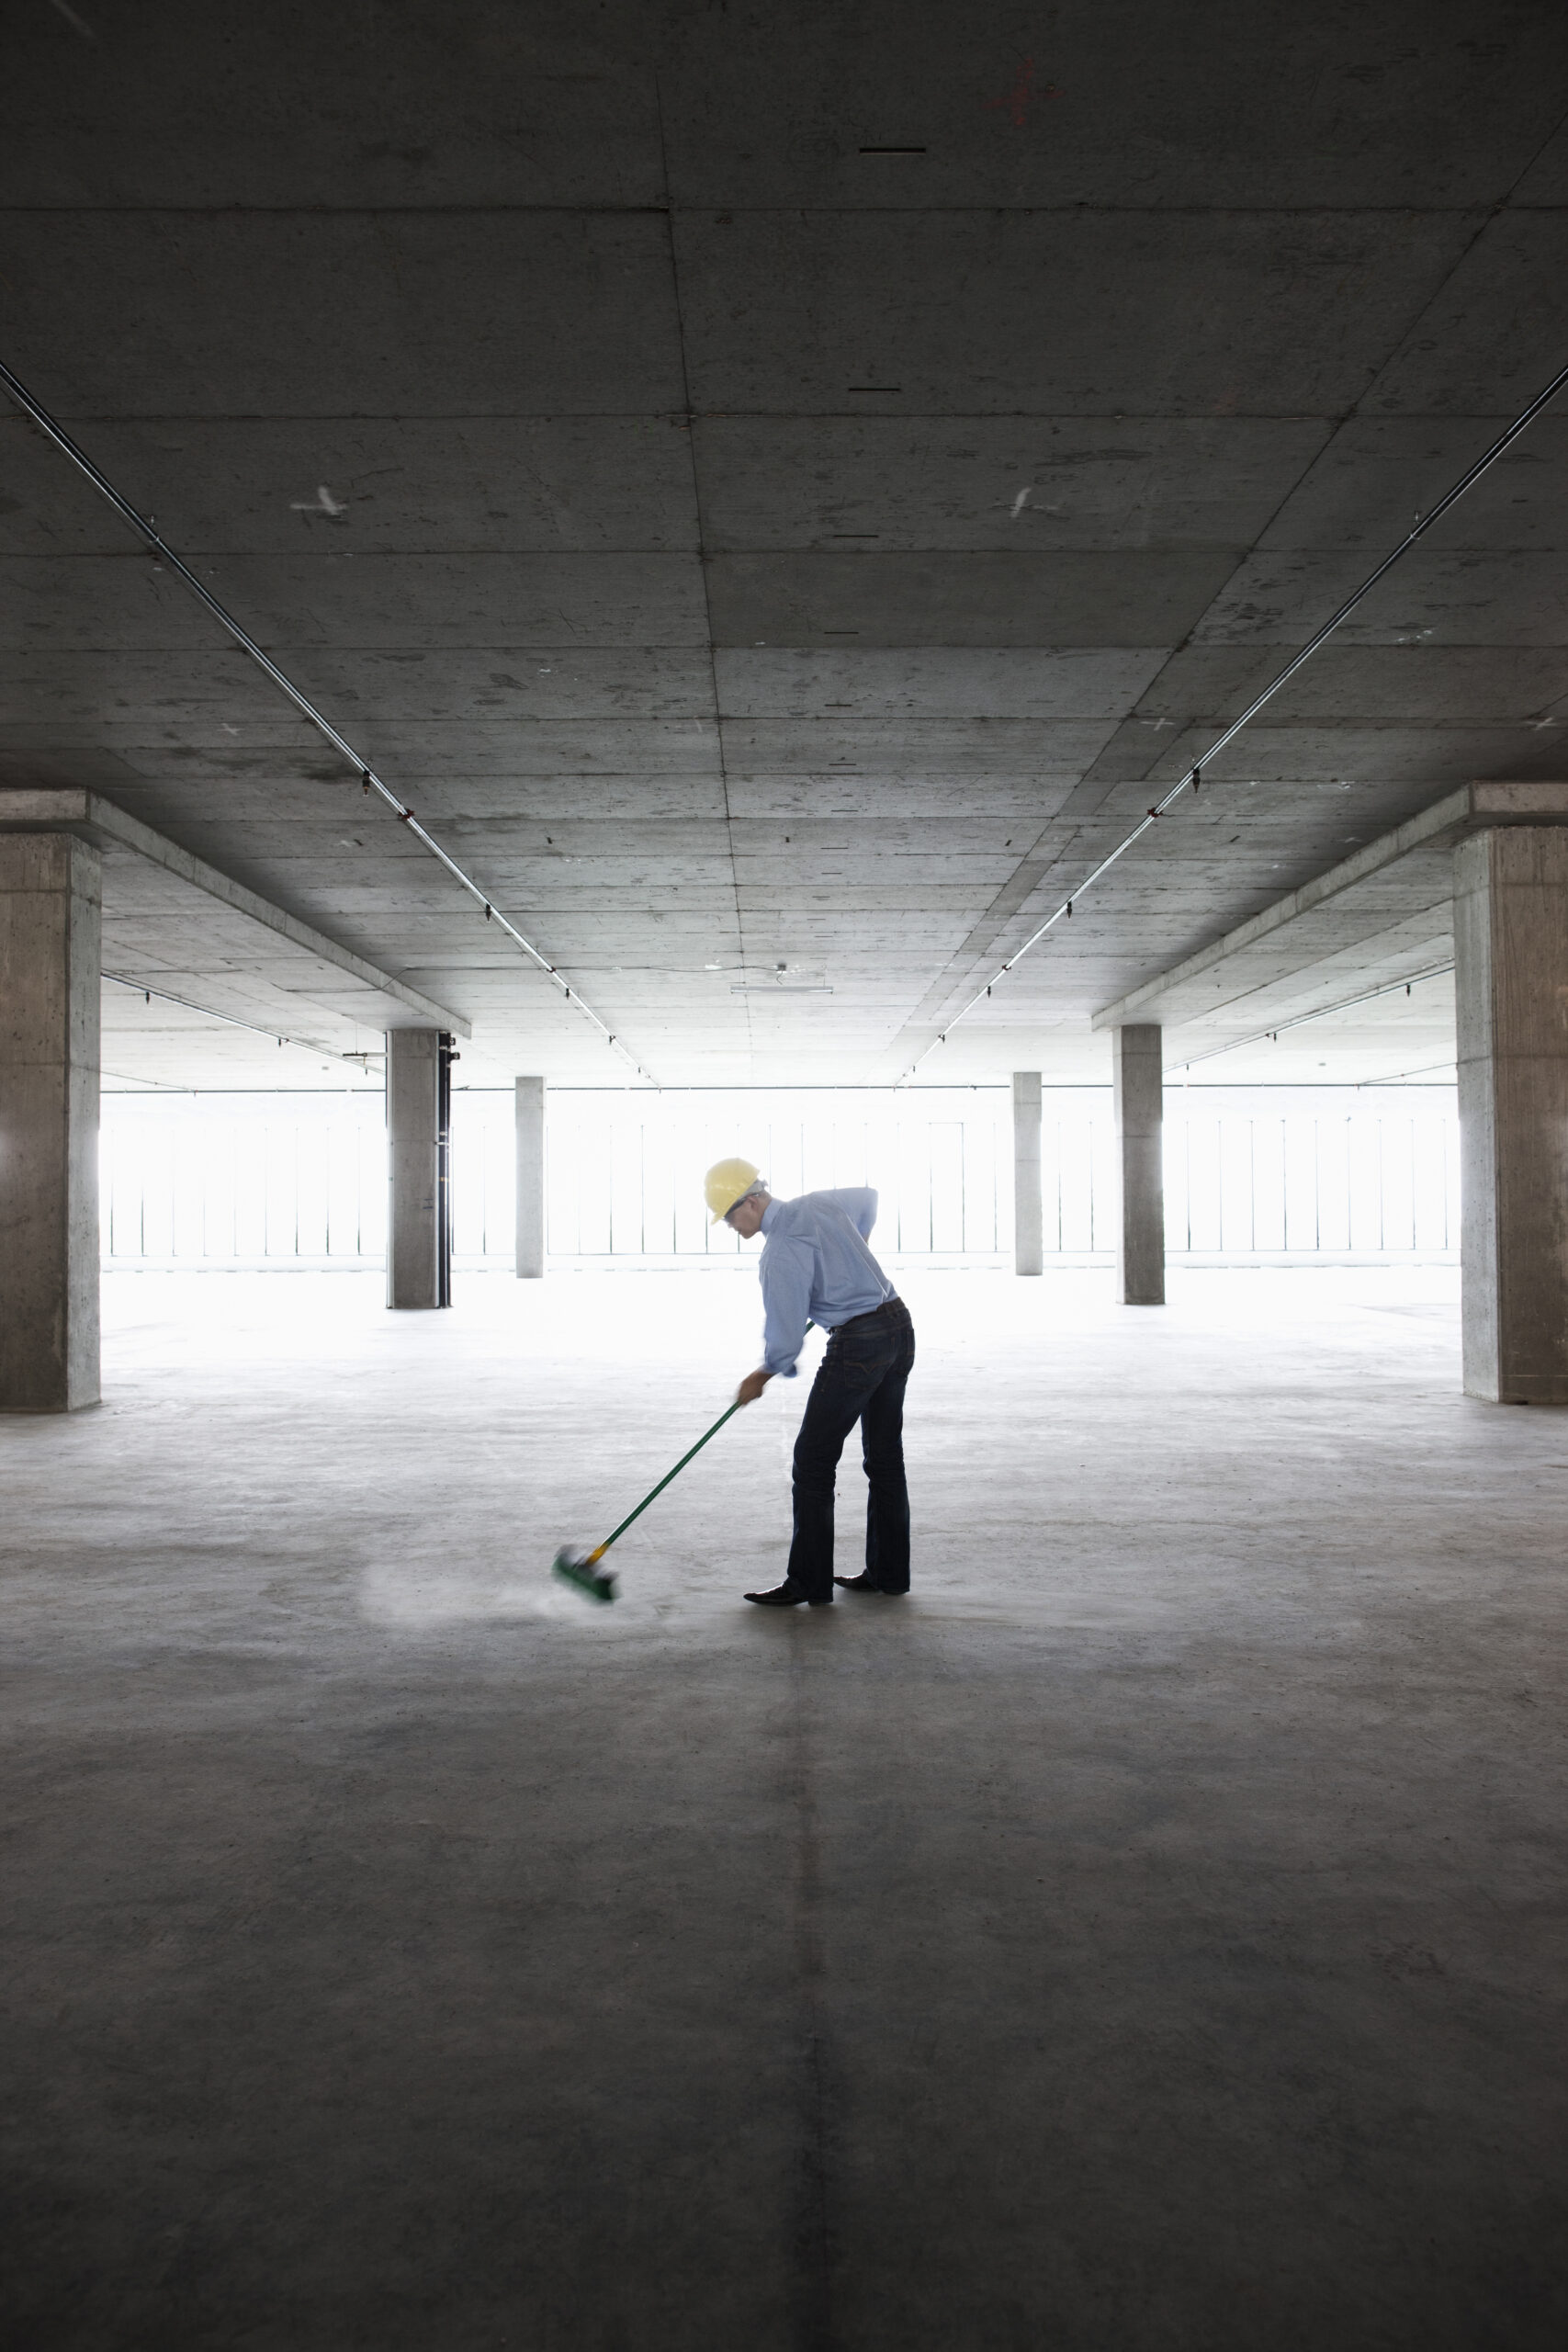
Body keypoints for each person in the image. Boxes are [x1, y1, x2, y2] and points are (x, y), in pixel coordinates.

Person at [704, 1157, 916, 1608]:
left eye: (730, 1215)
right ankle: (889, 1574)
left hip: (859, 1344)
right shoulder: (817, 1204)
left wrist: (762, 1373)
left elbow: (783, 1333)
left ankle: (808, 1582)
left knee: (813, 1462)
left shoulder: (779, 1252)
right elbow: (868, 1198)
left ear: (755, 1199)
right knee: (884, 1457)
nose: (730, 1225)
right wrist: (850, 1250)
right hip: (898, 1326)